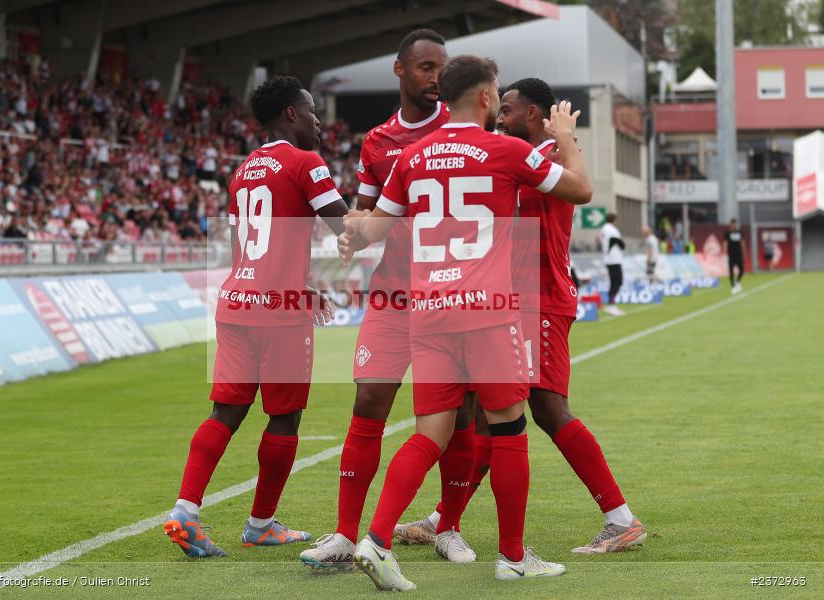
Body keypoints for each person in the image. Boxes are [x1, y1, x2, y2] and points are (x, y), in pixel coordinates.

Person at [340, 56, 592, 591]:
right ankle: (513, 557)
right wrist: (566, 138)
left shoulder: (411, 156)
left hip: (428, 311)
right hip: (487, 311)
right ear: (483, 97)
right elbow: (580, 189)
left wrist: (351, 229)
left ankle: (376, 541)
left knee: (429, 434)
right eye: (496, 93)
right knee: (509, 429)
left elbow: (374, 230)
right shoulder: (506, 150)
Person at [403, 77, 647, 557]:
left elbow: (581, 188)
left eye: (509, 110)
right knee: (492, 412)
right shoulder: (510, 156)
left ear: (532, 114)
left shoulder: (549, 157)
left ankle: (620, 518)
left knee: (546, 407)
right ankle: (443, 519)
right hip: (506, 303)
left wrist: (566, 139)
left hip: (540, 300)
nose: (500, 117)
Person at [300, 29, 482, 570]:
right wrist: (351, 234)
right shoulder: (378, 140)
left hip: (452, 294)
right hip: (394, 293)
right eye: (426, 67)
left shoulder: (463, 128)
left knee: (459, 413)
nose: (436, 77)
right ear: (400, 70)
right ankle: (344, 534)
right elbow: (365, 211)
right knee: (369, 401)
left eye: (442, 67)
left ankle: (449, 528)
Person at [163, 76, 349, 558]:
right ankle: (261, 524)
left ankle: (185, 509)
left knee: (225, 411)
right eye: (312, 111)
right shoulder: (306, 162)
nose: (319, 122)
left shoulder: (242, 171)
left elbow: (242, 248)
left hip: (236, 301)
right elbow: (343, 225)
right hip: (280, 312)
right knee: (285, 416)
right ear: (291, 113)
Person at [600, 213, 625, 316]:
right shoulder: (611, 229)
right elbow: (616, 240)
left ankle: (611, 304)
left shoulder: (604, 229)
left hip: (609, 258)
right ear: (614, 220)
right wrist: (622, 245)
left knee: (614, 282)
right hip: (614, 259)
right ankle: (611, 305)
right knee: (617, 282)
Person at [724, 218, 746, 293]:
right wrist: (725, 252)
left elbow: (742, 242)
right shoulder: (727, 234)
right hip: (731, 255)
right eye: (732, 224)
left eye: (735, 224)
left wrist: (743, 252)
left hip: (739, 254)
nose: (734, 226)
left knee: (742, 270)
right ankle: (733, 286)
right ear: (730, 225)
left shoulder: (739, 233)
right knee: (731, 270)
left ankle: (738, 281)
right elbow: (725, 243)